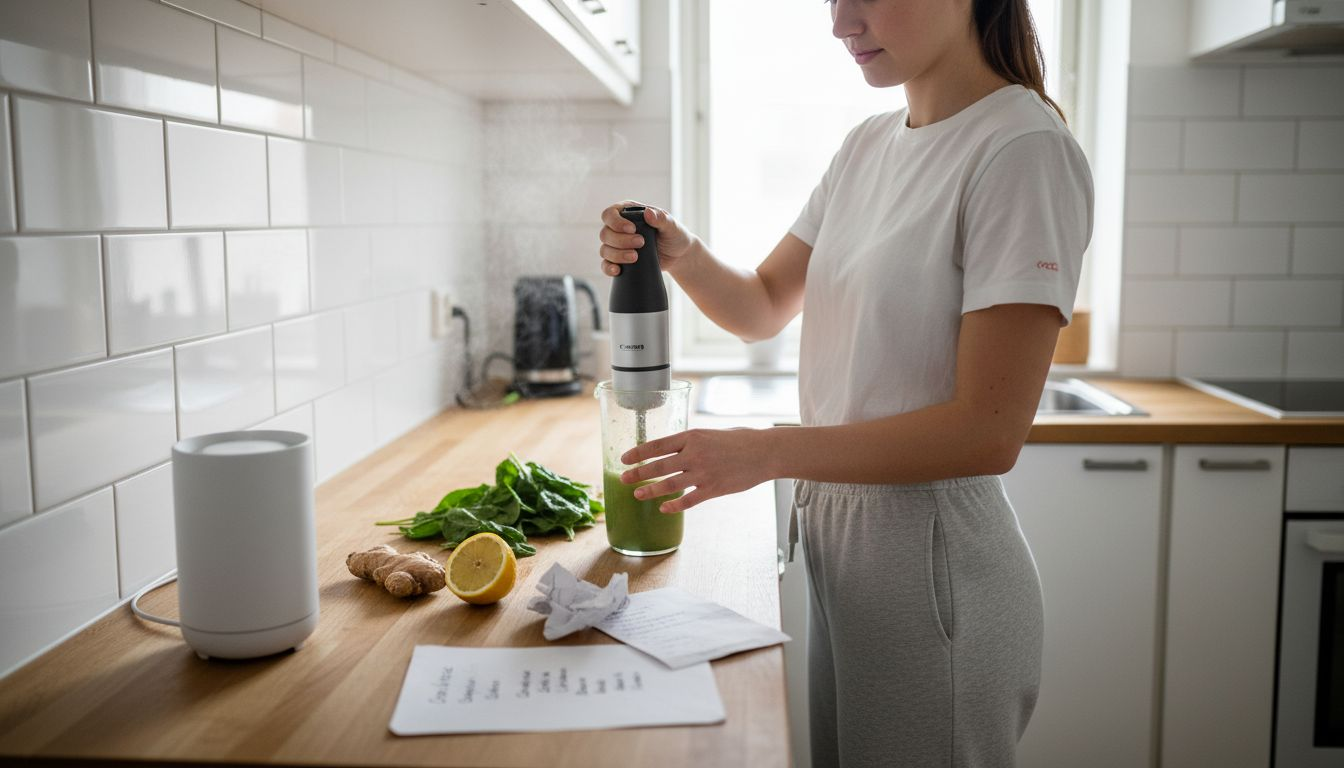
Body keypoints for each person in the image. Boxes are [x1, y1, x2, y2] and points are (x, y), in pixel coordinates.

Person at [598, 0, 1092, 765]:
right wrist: (683, 256)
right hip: (842, 551)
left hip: (935, 572)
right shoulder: (866, 146)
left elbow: (987, 433)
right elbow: (763, 306)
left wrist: (766, 453)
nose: (841, 22)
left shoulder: (1021, 149)